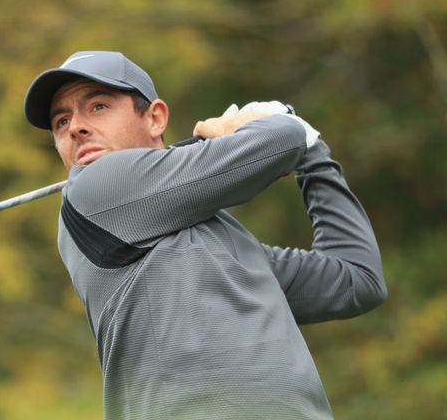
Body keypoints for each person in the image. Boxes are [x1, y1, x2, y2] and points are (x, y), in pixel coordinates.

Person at [23, 51, 387, 419]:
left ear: (155, 118)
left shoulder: (228, 240)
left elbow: (357, 280)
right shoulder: (93, 190)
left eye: (98, 106)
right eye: (62, 121)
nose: (75, 128)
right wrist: (286, 124)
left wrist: (314, 155)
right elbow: (281, 140)